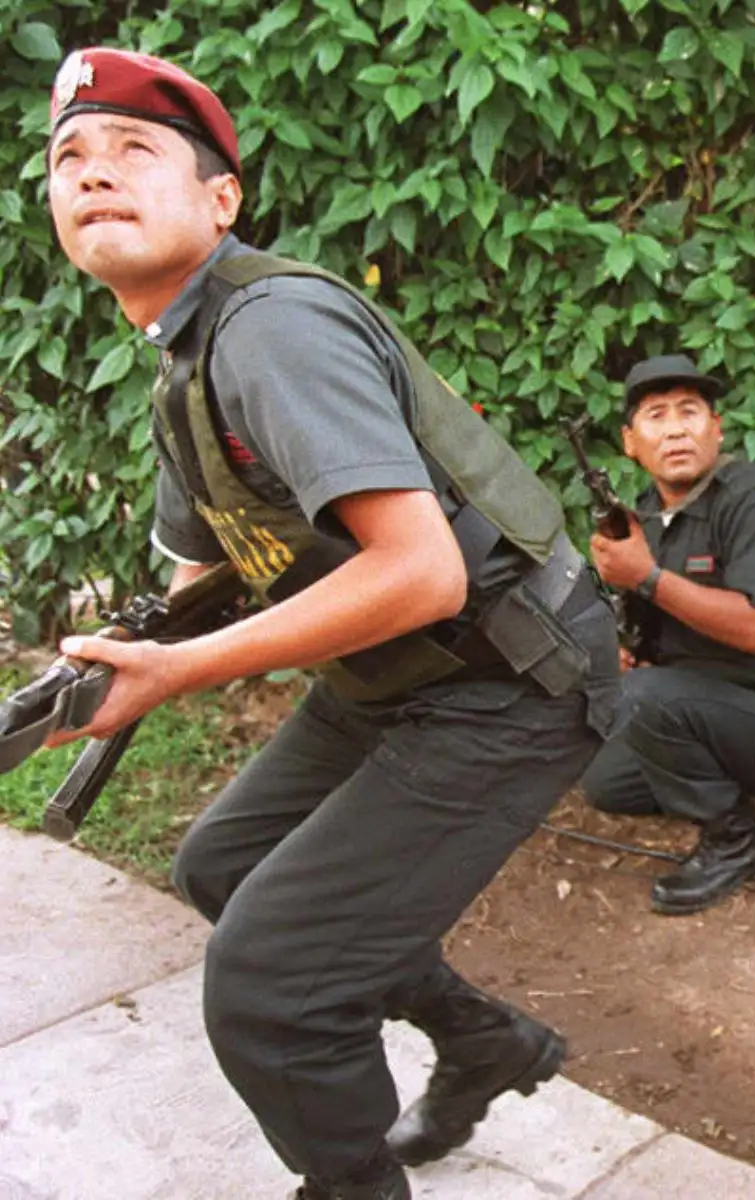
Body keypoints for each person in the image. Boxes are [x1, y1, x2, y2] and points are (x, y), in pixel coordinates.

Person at [43, 49, 619, 1200]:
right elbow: (201, 566)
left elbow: (421, 573)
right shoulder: (182, 368)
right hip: (397, 676)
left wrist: (178, 671)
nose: (93, 173)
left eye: (134, 150)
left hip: (509, 679)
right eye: (68, 159)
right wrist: (106, 651)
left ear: (222, 201)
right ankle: (482, 1041)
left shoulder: (271, 328)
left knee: (269, 985)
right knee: (224, 863)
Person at [579, 354, 755, 914]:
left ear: (717, 428)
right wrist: (628, 650)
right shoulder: (645, 519)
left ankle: (737, 838)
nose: (676, 428)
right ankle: (719, 778)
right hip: (726, 712)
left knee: (643, 702)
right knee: (605, 781)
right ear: (631, 442)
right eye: (656, 415)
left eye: (690, 411)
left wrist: (647, 578)